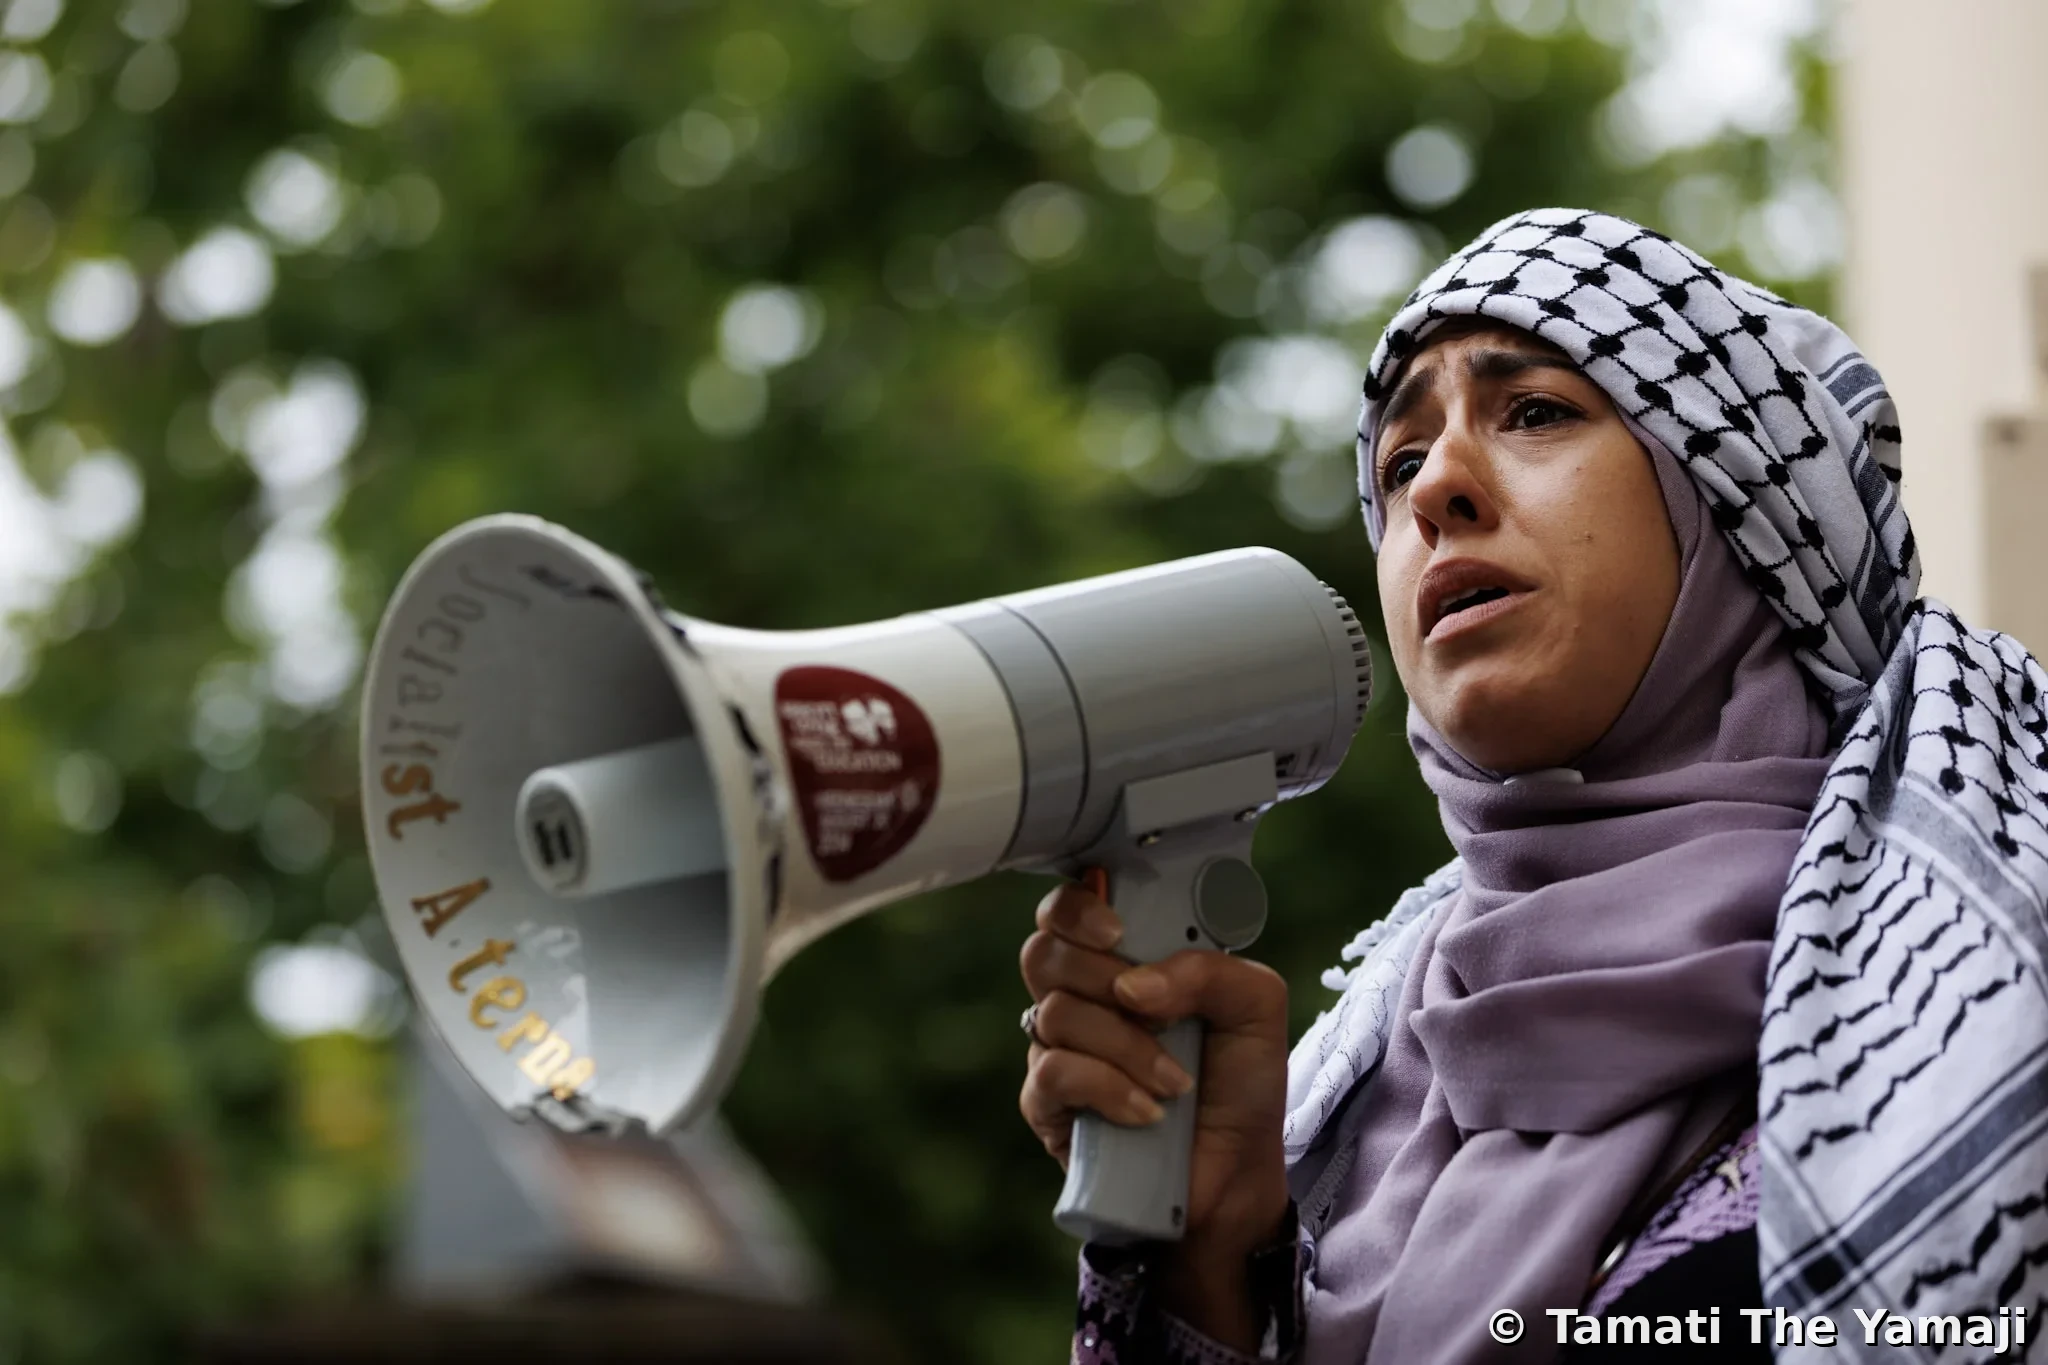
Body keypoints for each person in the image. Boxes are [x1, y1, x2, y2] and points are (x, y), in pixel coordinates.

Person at [1017, 208, 2048, 1364]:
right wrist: (1208, 1266)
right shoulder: (1329, 1116)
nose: (1434, 488)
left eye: (1536, 412)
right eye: (1397, 461)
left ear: (1743, 512)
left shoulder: (1988, 1007)